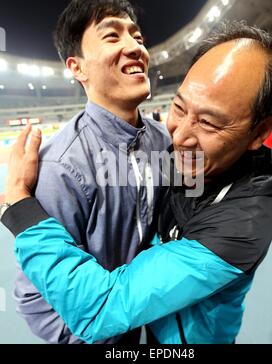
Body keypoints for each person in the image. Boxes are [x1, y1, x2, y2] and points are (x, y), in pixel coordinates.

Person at [1, 21, 272, 344]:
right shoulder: (169, 152)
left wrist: (21, 208)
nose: (178, 137)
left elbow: (101, 309)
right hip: (149, 327)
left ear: (261, 132)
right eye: (178, 107)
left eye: (208, 123)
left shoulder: (242, 225)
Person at [8, 0, 171, 344]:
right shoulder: (61, 167)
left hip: (153, 319)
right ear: (77, 67)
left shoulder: (164, 141)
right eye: (112, 37)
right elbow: (36, 298)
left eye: (138, 37)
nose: (135, 47)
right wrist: (103, 338)